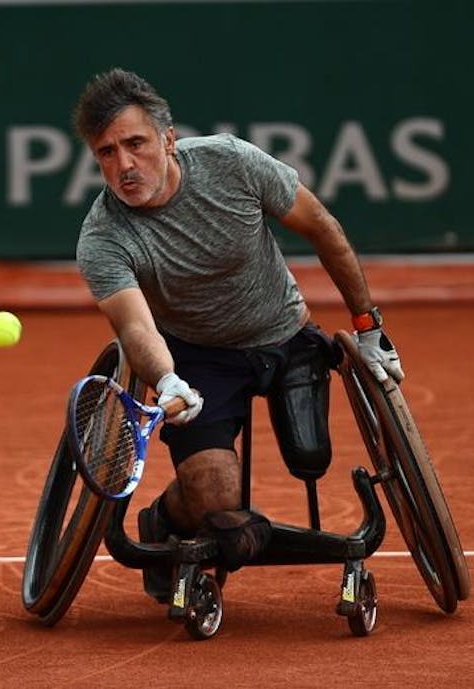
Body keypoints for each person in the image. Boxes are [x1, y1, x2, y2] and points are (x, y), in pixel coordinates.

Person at [71, 68, 404, 602]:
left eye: (134, 144)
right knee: (214, 501)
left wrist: (368, 326)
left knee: (310, 457)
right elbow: (134, 325)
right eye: (106, 153)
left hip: (287, 338)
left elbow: (322, 227)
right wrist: (168, 379)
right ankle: (165, 518)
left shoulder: (232, 162)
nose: (124, 166)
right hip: (198, 360)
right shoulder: (103, 237)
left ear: (168, 138)